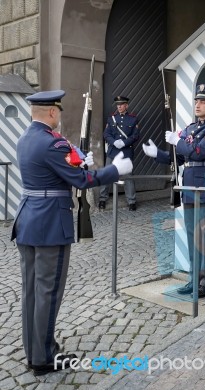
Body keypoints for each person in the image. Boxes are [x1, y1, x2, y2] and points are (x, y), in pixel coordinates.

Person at [11, 90, 133, 375]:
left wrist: (78, 158)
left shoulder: (25, 139)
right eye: (59, 111)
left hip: (28, 219)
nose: (59, 116)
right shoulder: (52, 143)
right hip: (50, 223)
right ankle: (44, 357)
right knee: (48, 292)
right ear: (52, 112)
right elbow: (81, 180)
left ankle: (34, 351)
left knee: (31, 291)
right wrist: (115, 170)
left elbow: (58, 171)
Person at [143, 84, 205, 298]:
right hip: (189, 185)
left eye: (203, 102)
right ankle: (193, 279)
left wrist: (178, 141)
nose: (198, 105)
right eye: (196, 101)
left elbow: (198, 153)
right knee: (192, 236)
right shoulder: (190, 129)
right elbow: (179, 157)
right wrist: (158, 154)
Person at [98, 96, 139, 211]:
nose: (119, 106)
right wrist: (114, 142)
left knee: (128, 177)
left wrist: (124, 142)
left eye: (121, 104)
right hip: (113, 151)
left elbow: (135, 135)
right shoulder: (111, 118)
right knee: (106, 175)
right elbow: (106, 134)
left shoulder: (133, 119)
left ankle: (131, 201)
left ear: (126, 105)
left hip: (126, 151)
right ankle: (102, 199)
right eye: (118, 105)